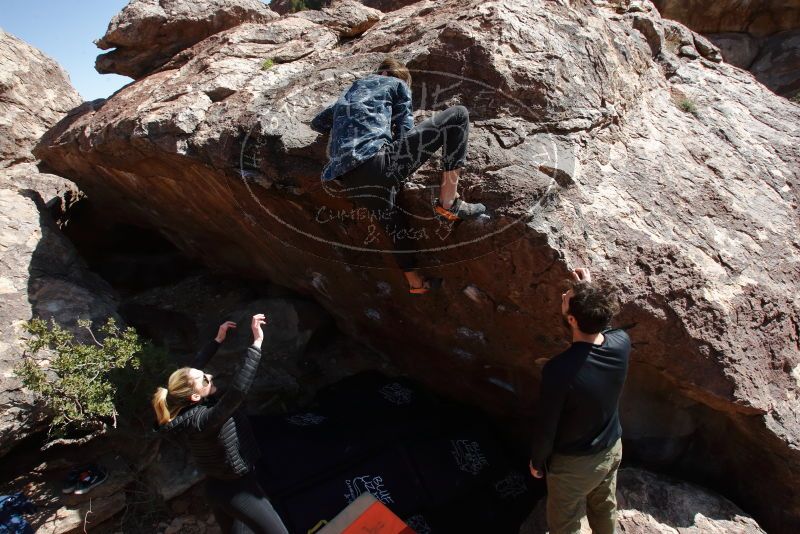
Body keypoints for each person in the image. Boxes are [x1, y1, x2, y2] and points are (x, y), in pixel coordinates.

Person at [311, 56, 487, 294]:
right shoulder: (396, 85)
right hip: (378, 164)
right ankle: (450, 202)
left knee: (395, 225)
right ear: (391, 75)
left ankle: (414, 281)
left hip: (349, 182)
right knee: (458, 115)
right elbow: (405, 128)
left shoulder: (349, 92)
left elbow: (318, 123)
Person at [152, 315, 289, 534]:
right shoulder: (203, 421)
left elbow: (194, 367)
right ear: (195, 397)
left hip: (218, 487)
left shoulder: (179, 401)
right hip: (237, 490)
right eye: (205, 380)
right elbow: (237, 392)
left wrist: (217, 339)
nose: (209, 375)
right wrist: (256, 344)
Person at [528, 268, 630, 534]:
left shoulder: (559, 370)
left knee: (565, 524)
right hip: (611, 449)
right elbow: (605, 326)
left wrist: (537, 462)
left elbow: (547, 425)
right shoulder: (621, 343)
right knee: (604, 505)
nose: (563, 295)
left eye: (566, 298)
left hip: (575, 464)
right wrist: (588, 290)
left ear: (572, 319)